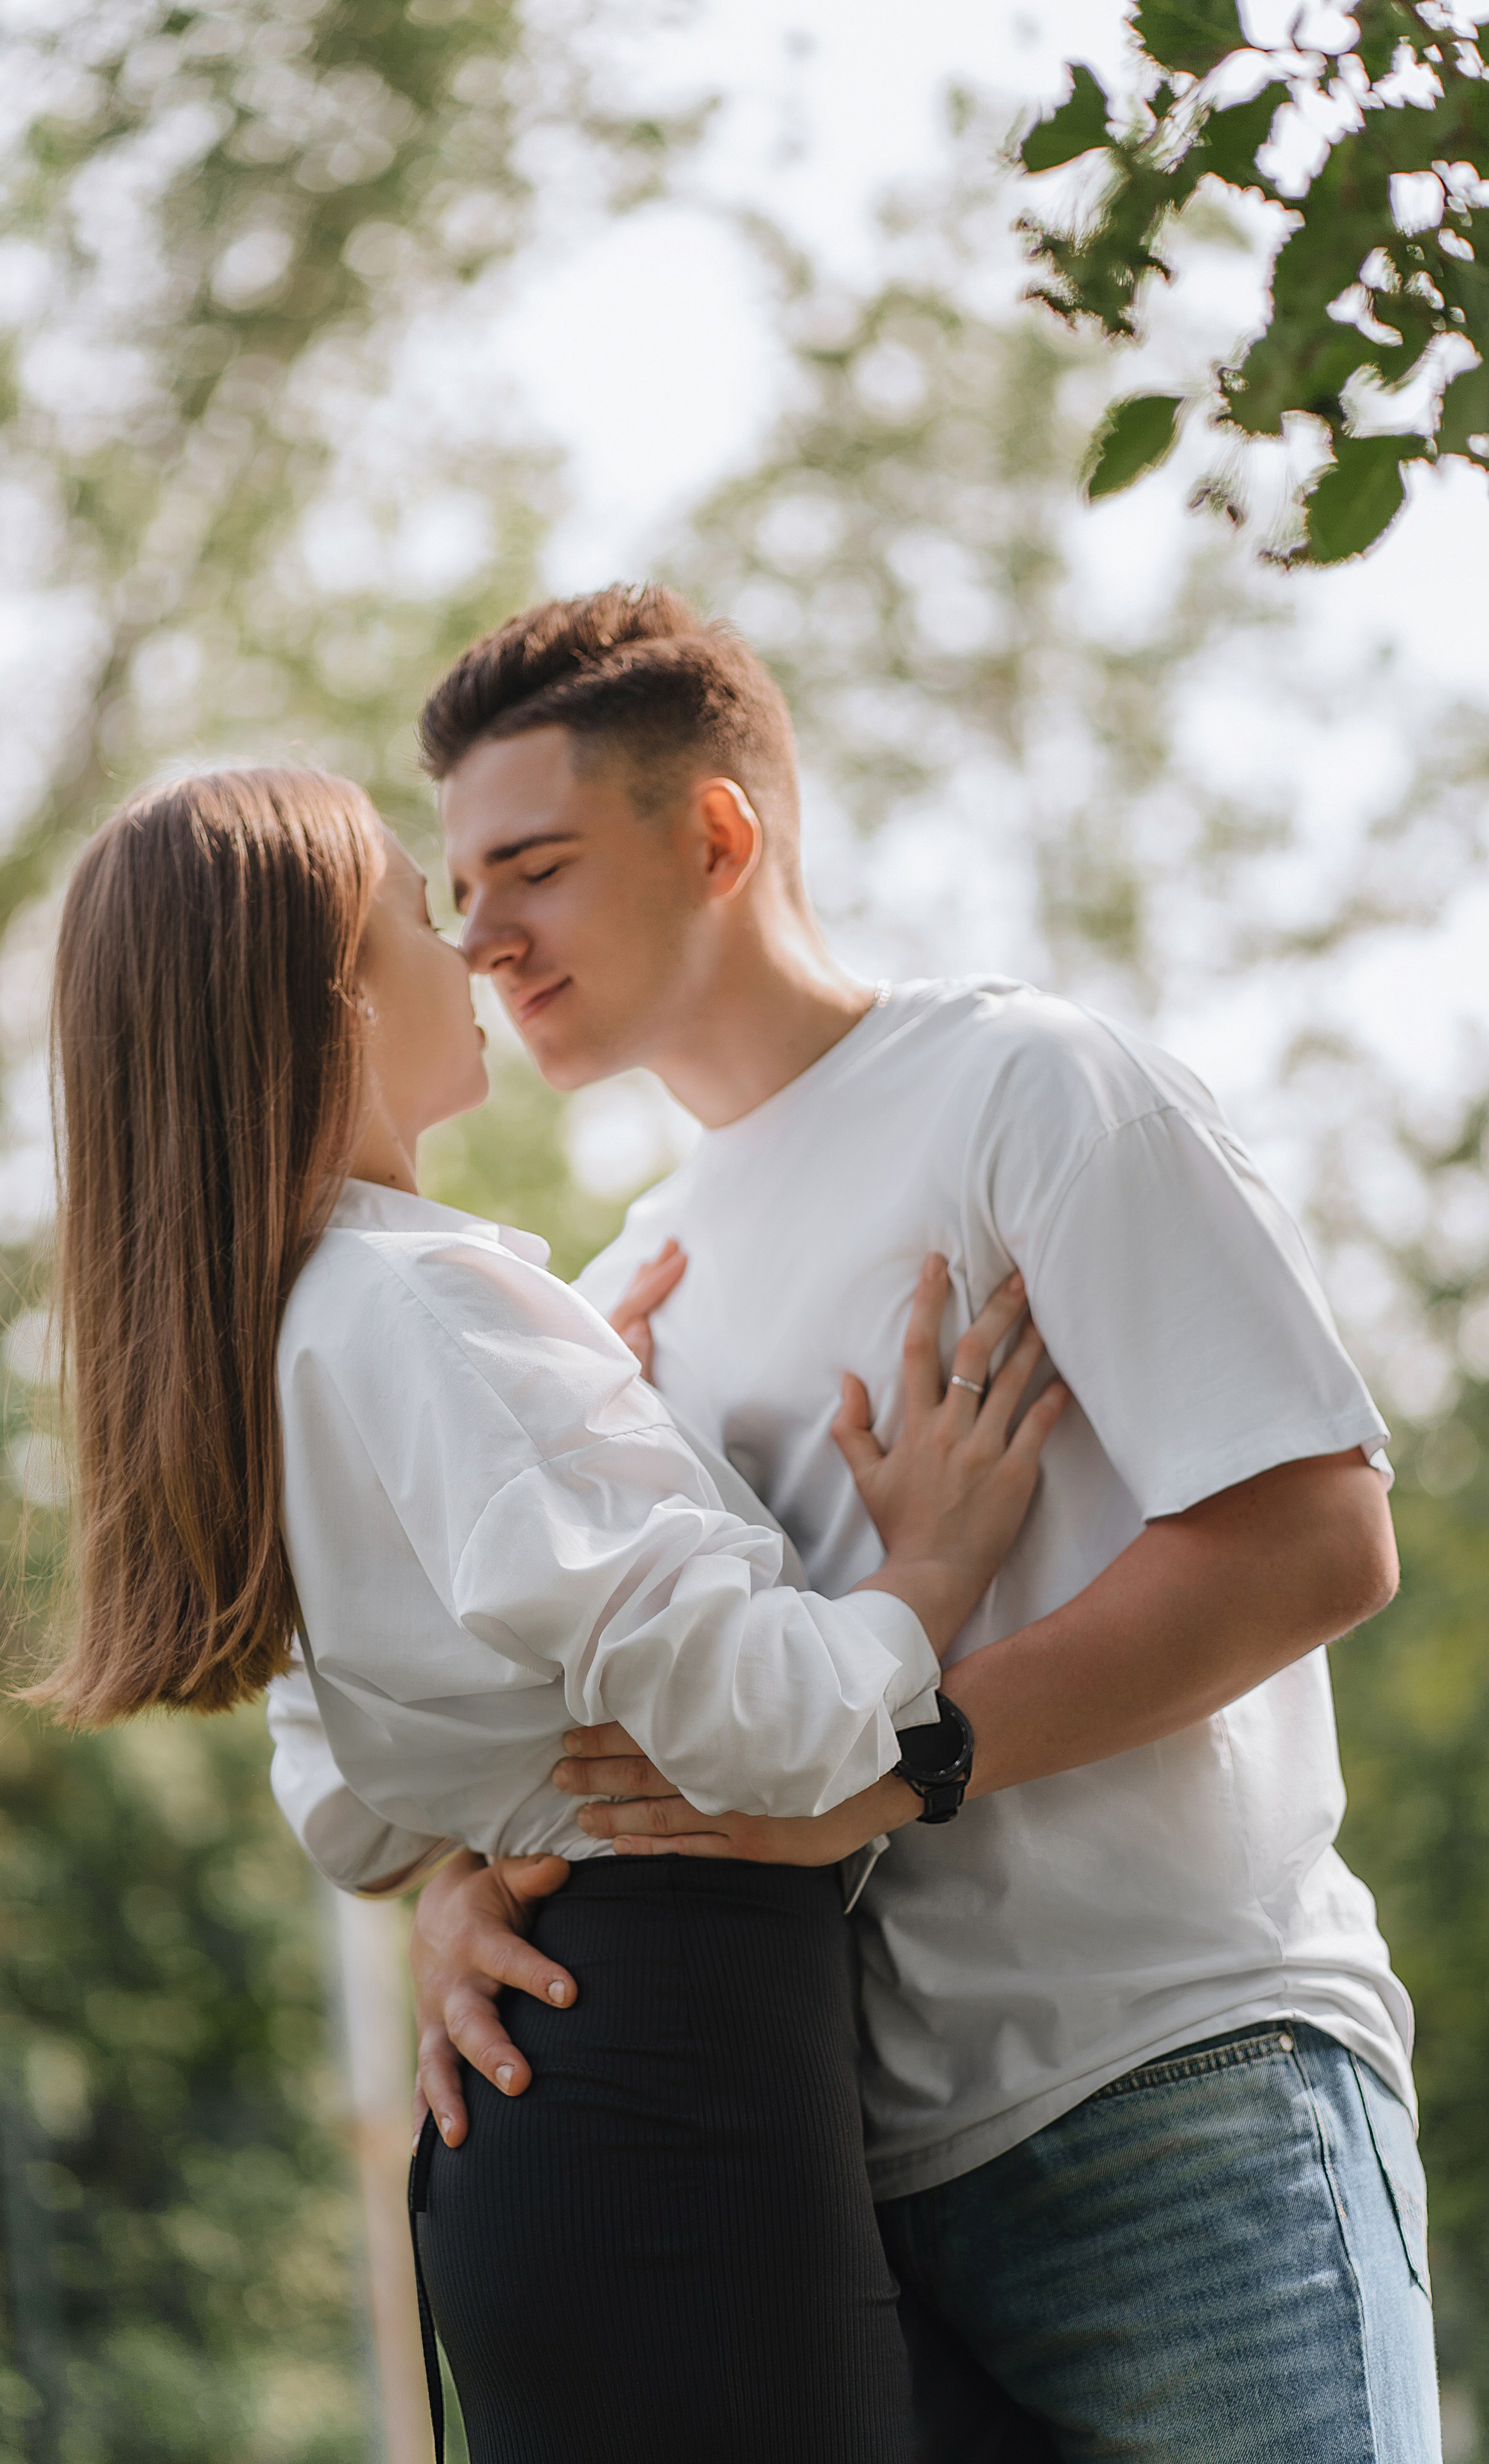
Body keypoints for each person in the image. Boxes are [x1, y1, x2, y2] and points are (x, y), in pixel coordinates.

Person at [273, 586, 1441, 2463]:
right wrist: (461, 1895)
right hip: (856, 2179)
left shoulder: (1031, 1090)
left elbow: (1318, 1539)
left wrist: (909, 1764)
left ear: (718, 834)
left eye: (534, 869)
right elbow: (633, 1707)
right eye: (459, 889)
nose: (478, 937)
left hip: (1178, 2103)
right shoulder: (616, 1276)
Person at [33, 763, 1072, 2464]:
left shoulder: (294, 1335)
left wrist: (597, 1456)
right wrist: (929, 1577)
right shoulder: (429, 1306)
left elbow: (352, 1809)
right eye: (417, 919)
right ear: (336, 1003)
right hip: (674, 2121)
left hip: (559, 2131)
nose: (474, 957)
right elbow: (773, 1731)